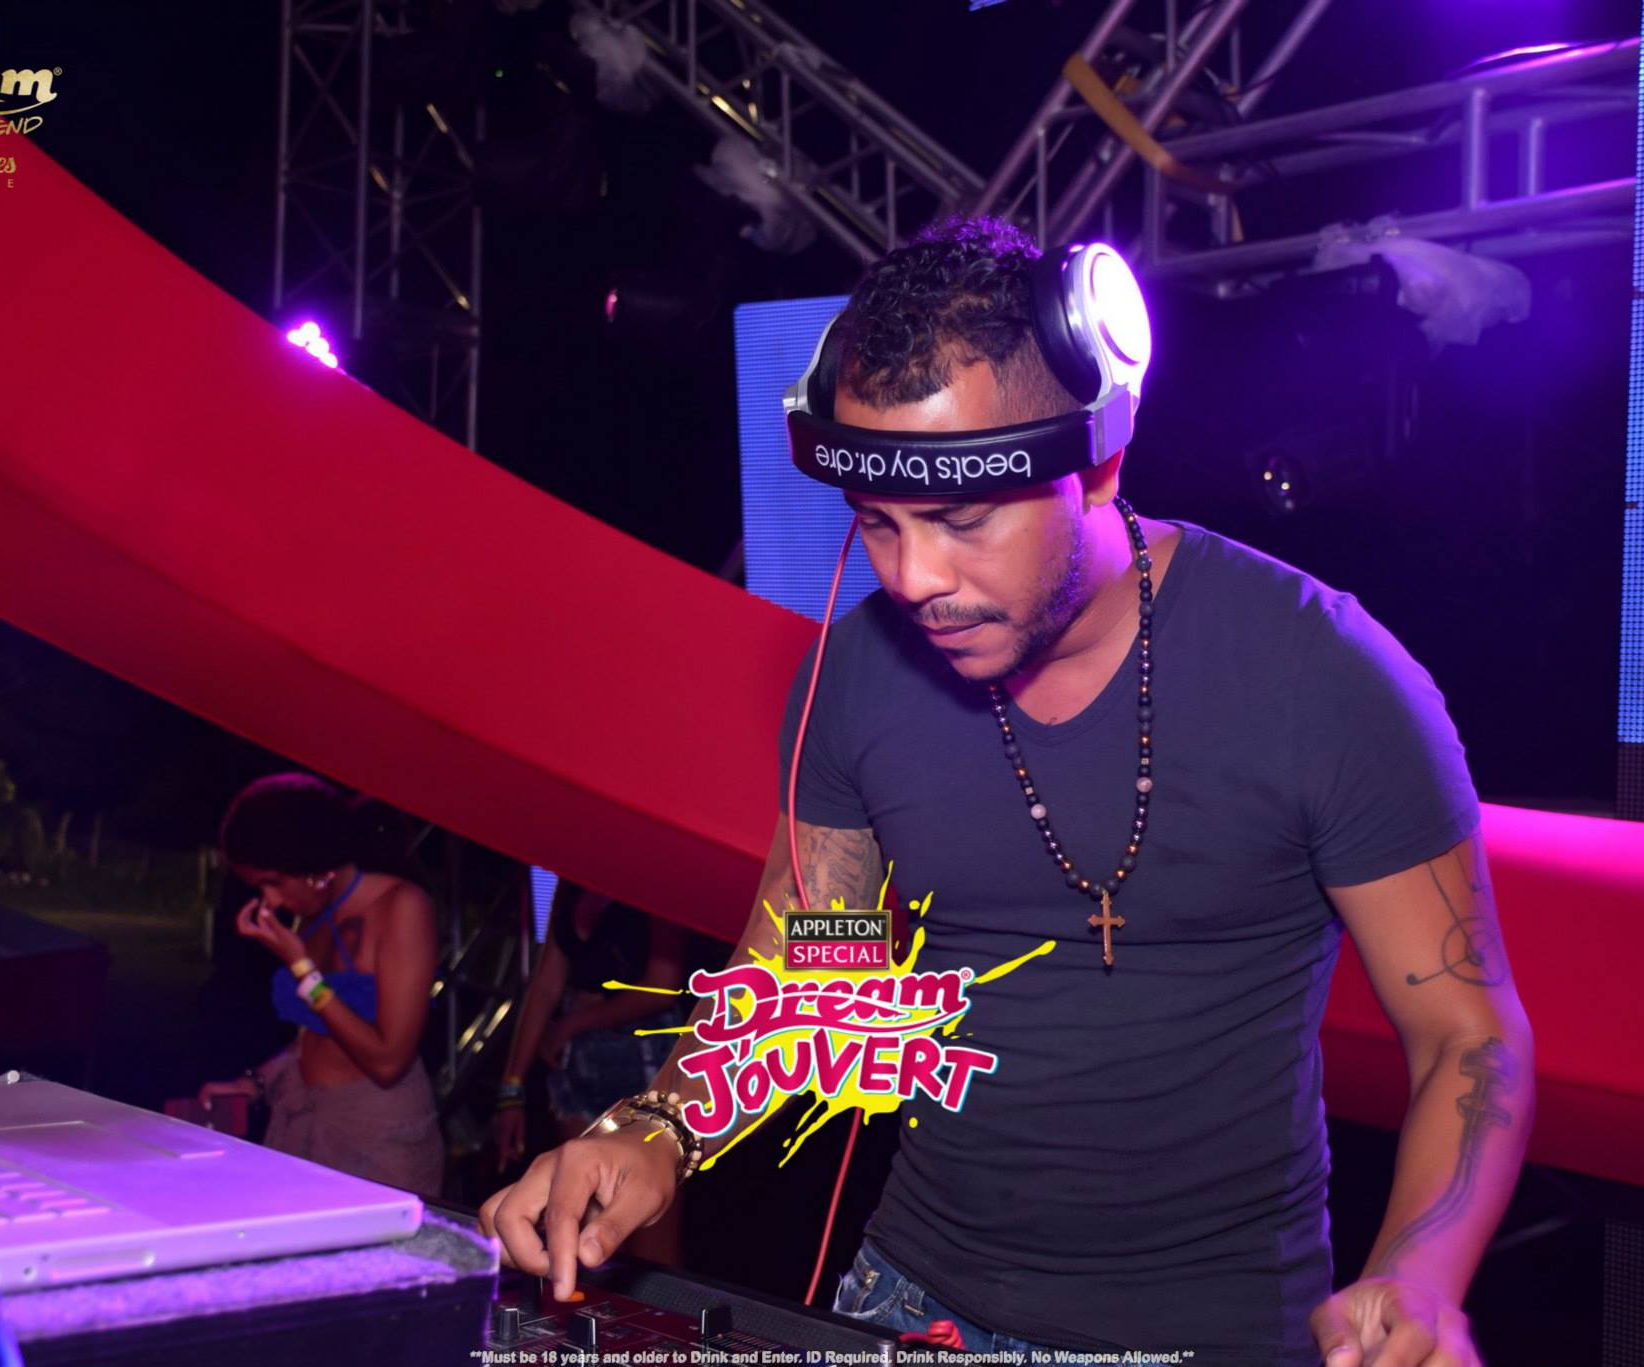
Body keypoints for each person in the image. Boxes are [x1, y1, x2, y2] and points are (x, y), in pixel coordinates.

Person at [478, 216, 1534, 1367]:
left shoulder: (1323, 676)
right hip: (910, 1296)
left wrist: (1418, 1272)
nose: (913, 577)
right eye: (876, 524)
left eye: (962, 520)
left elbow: (1463, 1034)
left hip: (1209, 1335)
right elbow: (808, 969)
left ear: (1099, 463)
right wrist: (653, 1126)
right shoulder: (854, 677)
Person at [197, 774, 443, 1198]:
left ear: (311, 866)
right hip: (305, 1117)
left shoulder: (401, 907)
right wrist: (256, 1083)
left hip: (378, 1135)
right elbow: (317, 1035)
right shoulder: (315, 917)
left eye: (273, 882)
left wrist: (303, 971)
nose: (270, 901)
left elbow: (388, 1061)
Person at [490, 878, 691, 1264]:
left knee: (648, 1243)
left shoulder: (661, 879)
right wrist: (511, 1086)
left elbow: (663, 985)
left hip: (643, 1057)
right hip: (576, 1061)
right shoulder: (571, 882)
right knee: (576, 1224)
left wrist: (574, 1023)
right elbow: (545, 984)